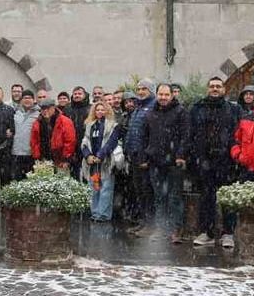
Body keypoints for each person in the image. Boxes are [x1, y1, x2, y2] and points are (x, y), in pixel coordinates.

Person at [186, 76, 242, 249]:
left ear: (224, 90)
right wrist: (192, 157)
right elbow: (190, 133)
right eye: (212, 86)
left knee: (228, 199)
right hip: (204, 161)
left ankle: (228, 233)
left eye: (218, 86)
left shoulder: (233, 110)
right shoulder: (197, 108)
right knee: (206, 198)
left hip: (227, 161)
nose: (215, 89)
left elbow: (240, 134)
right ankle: (207, 233)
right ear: (207, 89)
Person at [140, 84, 189, 244]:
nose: (163, 97)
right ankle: (161, 228)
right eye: (160, 94)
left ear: (172, 96)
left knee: (174, 197)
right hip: (155, 161)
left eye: (166, 94)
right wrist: (145, 156)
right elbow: (145, 136)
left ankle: (176, 229)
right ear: (157, 95)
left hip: (174, 162)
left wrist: (181, 155)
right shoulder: (150, 113)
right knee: (159, 197)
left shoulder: (180, 112)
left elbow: (185, 136)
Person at [80, 101, 121, 223]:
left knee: (106, 189)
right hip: (92, 163)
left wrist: (100, 155)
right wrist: (88, 155)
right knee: (94, 188)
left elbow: (111, 142)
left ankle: (103, 215)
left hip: (106, 162)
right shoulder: (89, 125)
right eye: (97, 110)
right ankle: (95, 213)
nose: (100, 112)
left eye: (102, 110)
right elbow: (84, 142)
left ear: (107, 111)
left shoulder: (113, 125)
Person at [123, 79, 157, 227]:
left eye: (144, 89)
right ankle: (143, 222)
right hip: (134, 157)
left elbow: (153, 135)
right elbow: (132, 133)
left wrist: (147, 157)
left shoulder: (153, 107)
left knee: (147, 193)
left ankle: (150, 224)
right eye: (139, 89)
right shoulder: (138, 108)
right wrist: (127, 150)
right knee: (139, 192)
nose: (141, 92)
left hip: (144, 158)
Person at [31, 99, 76, 169]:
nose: (45, 111)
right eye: (43, 109)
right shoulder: (37, 123)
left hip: (60, 160)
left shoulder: (65, 121)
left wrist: (66, 159)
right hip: (44, 160)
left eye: (48, 108)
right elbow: (34, 142)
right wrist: (37, 158)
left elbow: (69, 142)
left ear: (54, 108)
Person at [10, 90, 39, 181]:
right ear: (21, 100)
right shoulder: (15, 113)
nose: (27, 100)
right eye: (25, 98)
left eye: (29, 98)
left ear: (33, 100)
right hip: (16, 152)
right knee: (16, 181)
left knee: (30, 181)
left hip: (31, 153)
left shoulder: (38, 114)